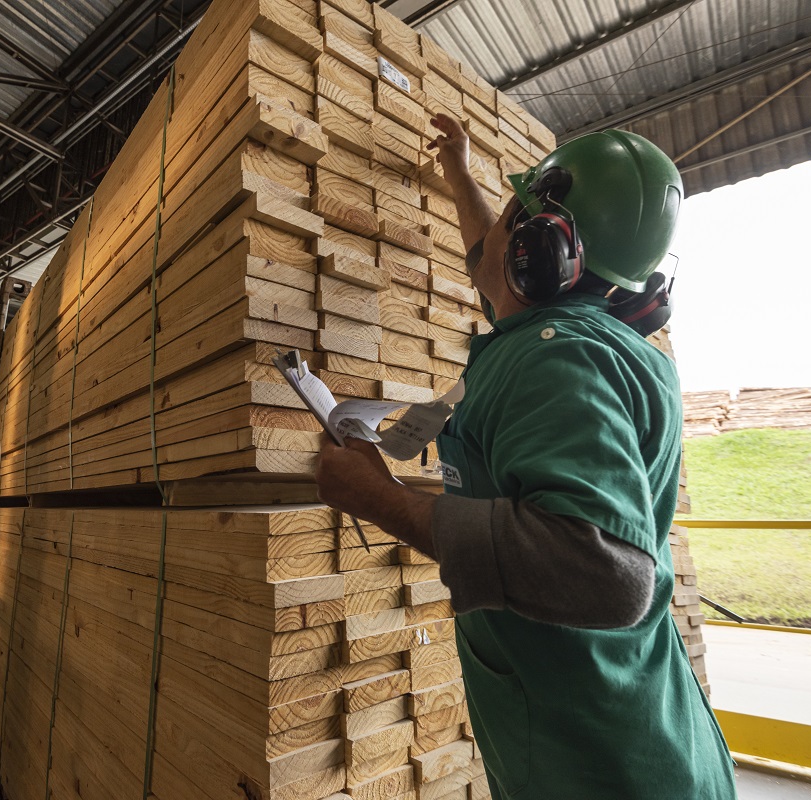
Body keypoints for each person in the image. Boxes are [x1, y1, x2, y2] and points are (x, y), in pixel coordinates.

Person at [314, 114, 737, 799]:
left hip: (600, 765)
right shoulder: (583, 340)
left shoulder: (558, 358)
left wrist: (377, 497)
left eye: (515, 220)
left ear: (540, 252)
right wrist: (459, 169)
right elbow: (491, 255)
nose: (495, 244)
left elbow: (607, 573)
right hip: (624, 727)